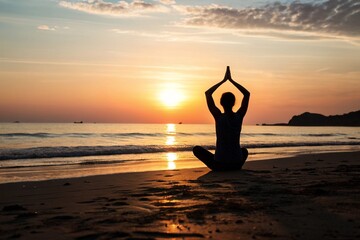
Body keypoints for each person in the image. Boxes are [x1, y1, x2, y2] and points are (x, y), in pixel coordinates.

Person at [193, 66, 250, 171]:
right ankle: (234, 166)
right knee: (244, 151)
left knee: (196, 149)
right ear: (234, 103)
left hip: (219, 165)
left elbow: (208, 93)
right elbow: (247, 94)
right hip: (236, 164)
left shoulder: (218, 116)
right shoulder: (239, 116)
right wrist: (232, 81)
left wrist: (223, 81)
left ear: (220, 103)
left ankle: (224, 167)